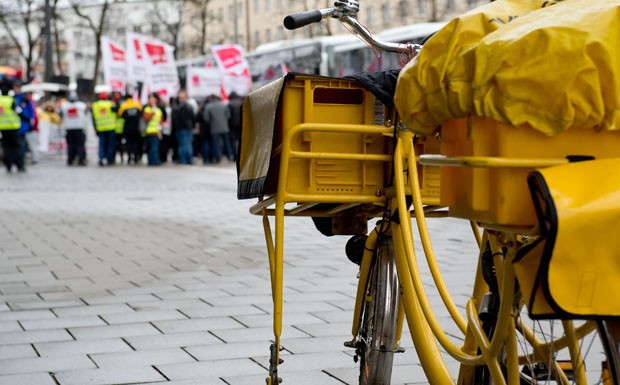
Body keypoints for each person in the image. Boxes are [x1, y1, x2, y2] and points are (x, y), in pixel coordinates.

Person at [0, 89, 26, 172]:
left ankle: (8, 165)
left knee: (6, 147)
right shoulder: (10, 100)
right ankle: (19, 165)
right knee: (16, 147)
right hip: (12, 127)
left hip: (2, 128)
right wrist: (27, 119)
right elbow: (18, 111)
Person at [202, 95, 232, 163]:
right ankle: (229, 155)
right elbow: (228, 116)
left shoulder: (208, 106)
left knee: (216, 143)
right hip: (224, 127)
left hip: (214, 127)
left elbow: (206, 118)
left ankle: (218, 157)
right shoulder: (223, 105)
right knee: (226, 142)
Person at [60, 93, 88, 166]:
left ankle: (71, 159)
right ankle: (81, 160)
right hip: (79, 128)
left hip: (69, 128)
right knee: (79, 145)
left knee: (71, 145)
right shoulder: (81, 105)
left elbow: (61, 115)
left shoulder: (64, 106)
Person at [12, 81, 35, 169]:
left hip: (23, 125)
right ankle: (17, 161)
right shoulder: (12, 98)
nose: (16, 89)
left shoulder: (24, 98)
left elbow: (30, 109)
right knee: (16, 144)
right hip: (13, 125)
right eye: (15, 88)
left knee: (22, 144)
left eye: (17, 87)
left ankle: (21, 161)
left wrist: (31, 119)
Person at [91, 92, 117, 166]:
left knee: (101, 144)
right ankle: (109, 159)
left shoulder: (95, 105)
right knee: (110, 145)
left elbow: (93, 118)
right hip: (110, 128)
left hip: (100, 128)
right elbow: (116, 111)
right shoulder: (111, 104)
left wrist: (95, 128)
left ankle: (101, 158)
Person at [118, 94, 143, 165]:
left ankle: (129, 157)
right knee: (135, 143)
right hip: (136, 128)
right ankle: (135, 157)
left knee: (128, 143)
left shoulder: (123, 106)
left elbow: (120, 115)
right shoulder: (137, 105)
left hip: (127, 128)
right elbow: (141, 114)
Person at [171, 90, 195, 165]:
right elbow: (193, 117)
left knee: (183, 144)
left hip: (181, 128)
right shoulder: (189, 106)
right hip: (188, 127)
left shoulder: (177, 107)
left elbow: (175, 118)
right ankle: (189, 159)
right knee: (188, 144)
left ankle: (183, 159)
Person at [143, 93, 163, 166]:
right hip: (150, 131)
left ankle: (154, 160)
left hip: (157, 132)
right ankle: (153, 160)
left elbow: (161, 120)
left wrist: (160, 127)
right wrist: (152, 113)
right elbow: (146, 118)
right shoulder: (147, 109)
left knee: (155, 147)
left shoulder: (158, 110)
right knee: (153, 147)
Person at [227, 92, 243, 161]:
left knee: (233, 140)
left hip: (232, 125)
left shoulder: (229, 105)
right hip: (241, 123)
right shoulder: (241, 102)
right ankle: (241, 154)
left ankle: (234, 155)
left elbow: (228, 116)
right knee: (241, 139)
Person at [198, 97, 212, 164]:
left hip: (203, 129)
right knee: (209, 143)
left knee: (204, 144)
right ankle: (210, 157)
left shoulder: (201, 110)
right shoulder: (210, 109)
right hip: (210, 129)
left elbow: (197, 118)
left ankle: (205, 158)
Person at [113, 92, 126, 164]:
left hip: (119, 129)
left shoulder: (119, 106)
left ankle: (120, 157)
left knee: (118, 144)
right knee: (118, 144)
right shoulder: (121, 105)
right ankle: (119, 157)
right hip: (117, 128)